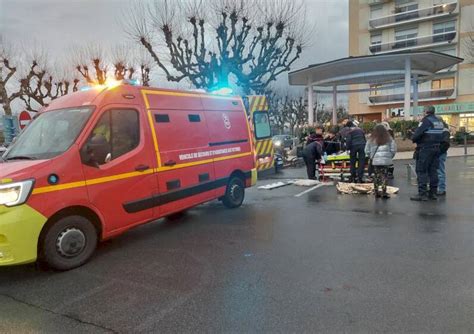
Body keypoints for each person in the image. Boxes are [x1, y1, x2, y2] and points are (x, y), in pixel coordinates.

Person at [410, 105, 445, 201]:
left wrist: (412, 136)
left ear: (425, 112)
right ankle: (433, 193)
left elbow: (417, 135)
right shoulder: (439, 122)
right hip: (436, 148)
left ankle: (422, 194)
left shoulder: (426, 121)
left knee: (422, 171)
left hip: (425, 149)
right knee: (433, 171)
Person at [365, 124, 397, 199]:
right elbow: (393, 149)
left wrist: (371, 157)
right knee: (384, 175)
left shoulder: (371, 139)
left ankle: (376, 192)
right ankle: (384, 191)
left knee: (376, 175)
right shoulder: (389, 138)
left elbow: (366, 150)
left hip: (375, 161)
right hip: (386, 161)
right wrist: (389, 157)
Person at [437, 121, 450, 196]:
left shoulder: (444, 130)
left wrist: (439, 151)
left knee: (440, 171)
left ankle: (441, 189)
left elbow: (446, 143)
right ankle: (438, 188)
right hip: (438, 152)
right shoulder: (440, 129)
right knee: (437, 171)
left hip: (440, 153)